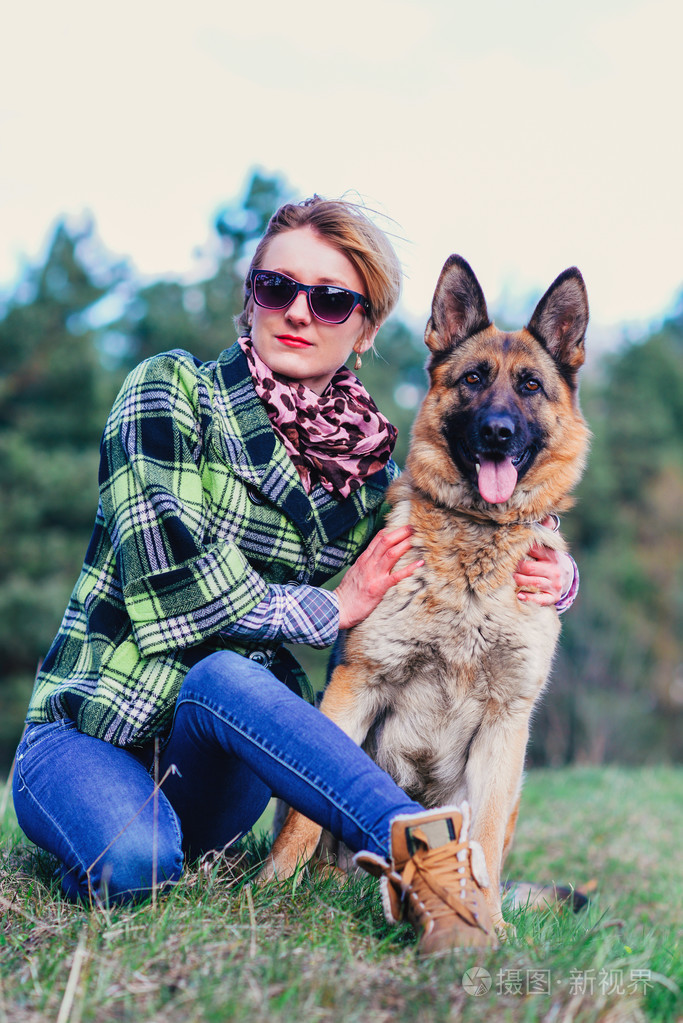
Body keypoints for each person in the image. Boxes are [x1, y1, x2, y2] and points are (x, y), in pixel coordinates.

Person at [13, 196, 577, 951]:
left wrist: (548, 563)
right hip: (91, 735)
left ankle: (441, 876)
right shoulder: (169, 391)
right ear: (249, 297)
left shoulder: (364, 469)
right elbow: (174, 588)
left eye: (331, 298)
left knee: (234, 682)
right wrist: (331, 605)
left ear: (365, 327)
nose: (298, 312)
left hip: (215, 759)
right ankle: (433, 862)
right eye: (276, 287)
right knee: (138, 854)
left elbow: (439, 534)